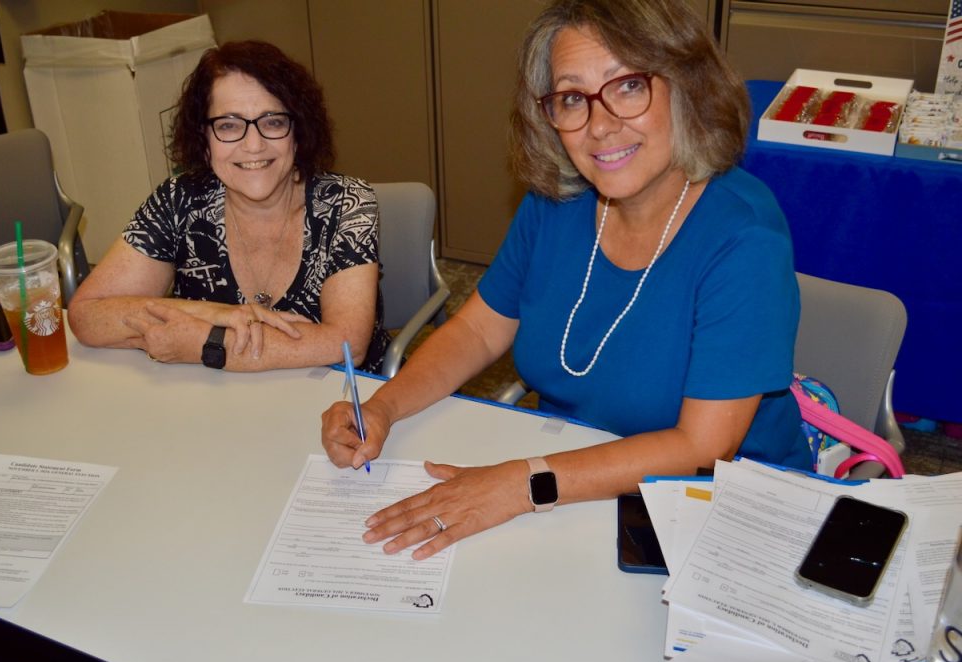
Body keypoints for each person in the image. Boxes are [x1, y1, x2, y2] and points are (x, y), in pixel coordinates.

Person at [321, 0, 812, 561]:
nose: (600, 126)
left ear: (687, 85)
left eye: (627, 86)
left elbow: (701, 447)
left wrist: (522, 484)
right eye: (572, 98)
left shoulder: (743, 238)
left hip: (717, 508)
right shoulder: (558, 199)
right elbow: (480, 330)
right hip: (569, 477)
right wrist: (385, 407)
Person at [68, 41, 387, 373]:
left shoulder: (348, 202)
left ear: (299, 132)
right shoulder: (180, 200)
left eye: (273, 122)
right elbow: (86, 315)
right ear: (203, 140)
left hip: (335, 402)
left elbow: (348, 346)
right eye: (229, 125)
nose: (253, 145)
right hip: (217, 402)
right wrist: (217, 315)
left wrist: (209, 343)